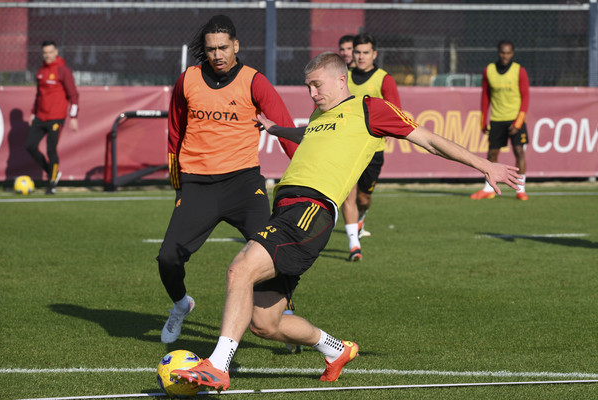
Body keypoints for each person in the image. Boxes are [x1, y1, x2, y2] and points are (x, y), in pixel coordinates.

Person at [170, 52, 522, 391]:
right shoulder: (321, 115)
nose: (312, 93)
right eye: (308, 87)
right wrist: (276, 129)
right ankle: (337, 350)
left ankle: (217, 366)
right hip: (288, 211)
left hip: (310, 210)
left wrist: (485, 165)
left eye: (317, 85)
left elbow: (428, 140)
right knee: (265, 323)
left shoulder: (370, 108)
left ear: (342, 80)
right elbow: (309, 137)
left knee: (240, 269)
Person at [157, 15, 298, 344]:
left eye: (223, 47)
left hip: (244, 185)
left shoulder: (254, 81)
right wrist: (179, 180)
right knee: (167, 257)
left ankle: (283, 311)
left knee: (274, 251)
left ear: (236, 45)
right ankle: (180, 305)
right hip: (198, 185)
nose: (217, 54)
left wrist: (302, 172)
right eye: (211, 49)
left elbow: (285, 127)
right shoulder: (187, 80)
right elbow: (175, 130)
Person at [343, 33, 402, 261]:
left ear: (374, 54)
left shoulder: (383, 79)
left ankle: (362, 216)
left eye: (365, 52)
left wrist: (390, 130)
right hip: (347, 147)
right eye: (357, 52)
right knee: (349, 195)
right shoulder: (343, 77)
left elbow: (394, 108)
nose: (360, 56)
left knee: (363, 198)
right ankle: (353, 245)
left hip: (373, 149)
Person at [471, 39, 530, 201]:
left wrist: (518, 123)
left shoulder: (519, 71)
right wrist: (483, 121)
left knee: (519, 152)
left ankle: (520, 190)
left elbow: (525, 98)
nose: (505, 56)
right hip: (497, 119)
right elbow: (485, 97)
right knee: (492, 154)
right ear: (499, 52)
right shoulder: (489, 70)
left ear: (512, 53)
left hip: (515, 120)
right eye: (503, 52)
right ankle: (488, 188)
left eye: (508, 53)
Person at [27, 40, 79, 195]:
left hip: (56, 117)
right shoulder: (41, 71)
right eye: (45, 53)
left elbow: (74, 95)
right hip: (40, 116)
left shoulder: (63, 70)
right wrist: (33, 112)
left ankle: (51, 183)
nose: (48, 55)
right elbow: (39, 94)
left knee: (51, 150)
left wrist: (74, 116)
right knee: (30, 145)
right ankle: (52, 172)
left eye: (50, 52)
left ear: (56, 52)